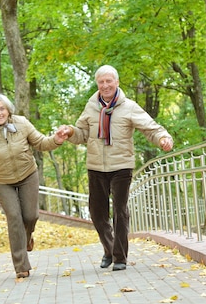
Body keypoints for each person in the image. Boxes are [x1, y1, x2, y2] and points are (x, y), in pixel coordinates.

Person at [58, 65, 173, 271]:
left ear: (117, 83)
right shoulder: (91, 106)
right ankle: (109, 249)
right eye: (101, 82)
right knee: (96, 211)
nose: (105, 85)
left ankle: (119, 257)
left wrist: (163, 138)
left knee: (120, 211)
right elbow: (82, 133)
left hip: (121, 166)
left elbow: (150, 127)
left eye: (109, 81)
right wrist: (69, 132)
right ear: (97, 84)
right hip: (96, 166)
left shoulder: (129, 106)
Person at [0, 94, 68, 280]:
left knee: (31, 215)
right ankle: (21, 266)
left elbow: (41, 142)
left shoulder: (22, 123)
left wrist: (57, 139)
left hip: (28, 174)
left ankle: (26, 239)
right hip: (2, 181)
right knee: (14, 217)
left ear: (8, 110)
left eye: (2, 108)